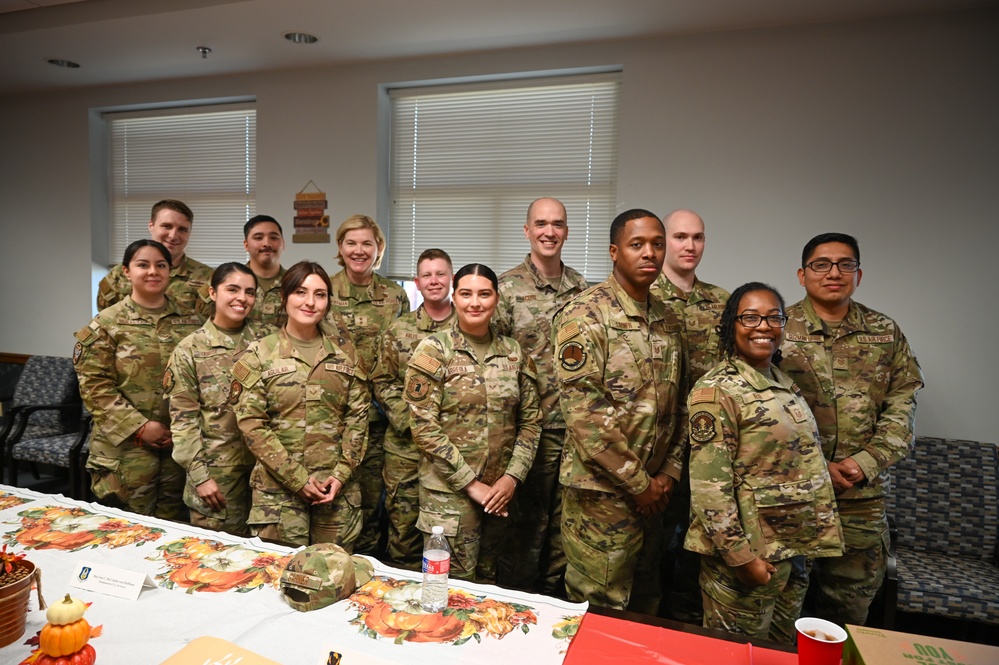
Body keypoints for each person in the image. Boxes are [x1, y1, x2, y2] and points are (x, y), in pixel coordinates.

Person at [685, 282, 844, 643]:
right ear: (731, 325)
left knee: (779, 652)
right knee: (738, 655)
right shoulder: (717, 391)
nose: (764, 326)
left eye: (774, 317)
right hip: (749, 558)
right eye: (751, 317)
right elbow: (710, 488)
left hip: (790, 550)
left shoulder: (782, 381)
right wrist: (740, 558)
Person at [781, 233, 924, 626]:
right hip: (792, 495)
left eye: (845, 265)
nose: (833, 273)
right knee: (780, 609)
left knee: (846, 615)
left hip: (861, 499)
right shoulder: (775, 329)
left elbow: (903, 406)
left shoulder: (884, 331)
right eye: (821, 264)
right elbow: (755, 413)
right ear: (801, 274)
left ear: (858, 275)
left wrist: (864, 463)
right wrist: (816, 467)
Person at [553, 208, 686, 613]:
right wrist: (639, 484)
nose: (650, 253)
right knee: (599, 612)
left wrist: (669, 473)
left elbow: (679, 405)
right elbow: (584, 416)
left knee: (646, 607)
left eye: (657, 244)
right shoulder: (584, 315)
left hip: (654, 499)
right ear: (614, 251)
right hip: (602, 499)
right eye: (637, 244)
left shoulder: (668, 319)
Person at [404, 263, 541, 583]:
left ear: (496, 299)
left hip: (499, 496)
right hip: (448, 498)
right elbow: (423, 426)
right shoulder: (434, 350)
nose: (475, 302)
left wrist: (512, 478)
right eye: (466, 294)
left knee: (491, 585)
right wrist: (470, 483)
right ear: (454, 297)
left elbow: (531, 421)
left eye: (484, 294)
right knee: (446, 587)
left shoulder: (514, 353)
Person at [233, 261, 368, 548]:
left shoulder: (346, 354)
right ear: (284, 297)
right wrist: (297, 479)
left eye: (320, 294)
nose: (310, 302)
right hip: (277, 494)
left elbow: (358, 418)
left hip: (337, 493)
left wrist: (341, 474)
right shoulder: (259, 354)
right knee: (274, 576)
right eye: (300, 292)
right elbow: (252, 425)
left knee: (335, 579)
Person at [493, 197, 588, 594]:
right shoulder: (506, 288)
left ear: (566, 231)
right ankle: (515, 608)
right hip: (531, 431)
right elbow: (494, 362)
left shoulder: (583, 289)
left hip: (578, 431)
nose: (550, 232)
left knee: (567, 529)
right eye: (541, 224)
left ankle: (555, 606)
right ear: (527, 230)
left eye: (558, 224)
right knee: (525, 530)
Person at [74, 239, 202, 519]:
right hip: (125, 453)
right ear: (126, 272)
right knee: (122, 532)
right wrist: (140, 427)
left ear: (170, 272)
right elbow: (95, 387)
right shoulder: (106, 324)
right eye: (142, 265)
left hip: (177, 449)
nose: (153, 271)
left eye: (161, 265)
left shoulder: (191, 321)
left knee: (174, 532)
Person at [650, 208, 729, 623]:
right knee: (652, 552)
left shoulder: (722, 302)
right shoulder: (644, 296)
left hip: (708, 450)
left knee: (699, 551)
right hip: (657, 449)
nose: (690, 246)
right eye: (680, 237)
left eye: (697, 237)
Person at [325, 214, 410, 556]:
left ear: (378, 249)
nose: (359, 250)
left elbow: (401, 355)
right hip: (333, 417)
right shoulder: (323, 289)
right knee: (335, 503)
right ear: (340, 247)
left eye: (367, 244)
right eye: (351, 243)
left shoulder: (394, 295)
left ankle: (368, 569)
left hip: (378, 419)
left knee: (374, 505)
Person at [371, 248, 456, 569]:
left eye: (441, 274)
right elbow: (382, 378)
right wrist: (410, 421)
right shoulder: (399, 330)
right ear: (417, 283)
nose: (434, 281)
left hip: (450, 449)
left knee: (445, 532)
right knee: (403, 528)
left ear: (452, 279)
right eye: (427, 275)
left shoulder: (467, 328)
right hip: (405, 449)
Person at [166, 263, 262, 536]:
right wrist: (201, 477)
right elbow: (183, 420)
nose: (241, 298)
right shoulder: (189, 349)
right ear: (212, 292)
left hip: (264, 472)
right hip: (217, 475)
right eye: (232, 289)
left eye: (249, 292)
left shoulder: (267, 341)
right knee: (218, 558)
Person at [97, 199, 212, 317]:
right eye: (166, 226)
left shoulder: (208, 278)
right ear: (151, 225)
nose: (173, 236)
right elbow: (107, 320)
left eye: (182, 229)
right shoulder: (118, 275)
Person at [196, 215, 287, 332]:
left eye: (274, 238)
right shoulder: (224, 280)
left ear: (283, 244)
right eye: (258, 238)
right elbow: (201, 322)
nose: (266, 243)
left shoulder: (296, 284)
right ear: (246, 245)